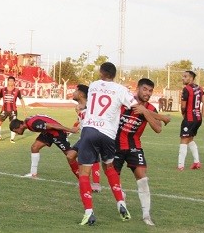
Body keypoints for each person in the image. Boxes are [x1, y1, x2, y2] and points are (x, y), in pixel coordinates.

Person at [74, 62, 138, 226]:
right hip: (108, 134)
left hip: (89, 130)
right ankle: (121, 204)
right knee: (109, 167)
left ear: (101, 72)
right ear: (114, 75)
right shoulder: (120, 89)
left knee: (84, 172)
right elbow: (134, 105)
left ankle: (89, 212)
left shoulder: (94, 85)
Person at [114, 78, 171, 226]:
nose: (148, 93)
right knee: (113, 179)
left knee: (143, 179)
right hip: (115, 145)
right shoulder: (125, 101)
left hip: (134, 146)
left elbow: (158, 128)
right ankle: (121, 196)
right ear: (137, 88)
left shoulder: (151, 109)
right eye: (145, 89)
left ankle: (146, 216)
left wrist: (145, 112)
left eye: (150, 91)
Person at [9, 115, 79, 179]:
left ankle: (83, 177)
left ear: (20, 126)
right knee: (34, 147)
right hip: (48, 133)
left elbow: (52, 125)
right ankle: (33, 173)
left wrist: (70, 130)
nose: (16, 133)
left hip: (57, 134)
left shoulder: (33, 124)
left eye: (16, 131)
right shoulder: (28, 122)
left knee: (71, 155)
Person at [68, 84, 102, 192]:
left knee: (92, 158)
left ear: (81, 94)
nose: (73, 93)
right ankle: (84, 181)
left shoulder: (91, 105)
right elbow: (80, 120)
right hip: (83, 136)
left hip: (93, 135)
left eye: (75, 91)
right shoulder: (78, 107)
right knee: (70, 156)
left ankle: (95, 184)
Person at [177, 70, 204, 170]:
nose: (183, 78)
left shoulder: (186, 89)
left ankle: (180, 166)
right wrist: (202, 116)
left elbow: (183, 106)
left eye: (185, 76)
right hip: (198, 118)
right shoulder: (200, 88)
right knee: (190, 139)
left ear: (191, 78)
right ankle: (196, 162)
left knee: (183, 140)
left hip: (189, 118)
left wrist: (183, 114)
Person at [0, 76, 26, 143]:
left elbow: (21, 100)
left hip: (13, 111)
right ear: (7, 81)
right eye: (9, 81)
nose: (10, 82)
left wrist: (24, 110)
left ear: (14, 82)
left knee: (13, 125)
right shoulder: (3, 90)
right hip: (4, 110)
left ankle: (12, 139)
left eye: (12, 81)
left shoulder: (17, 90)